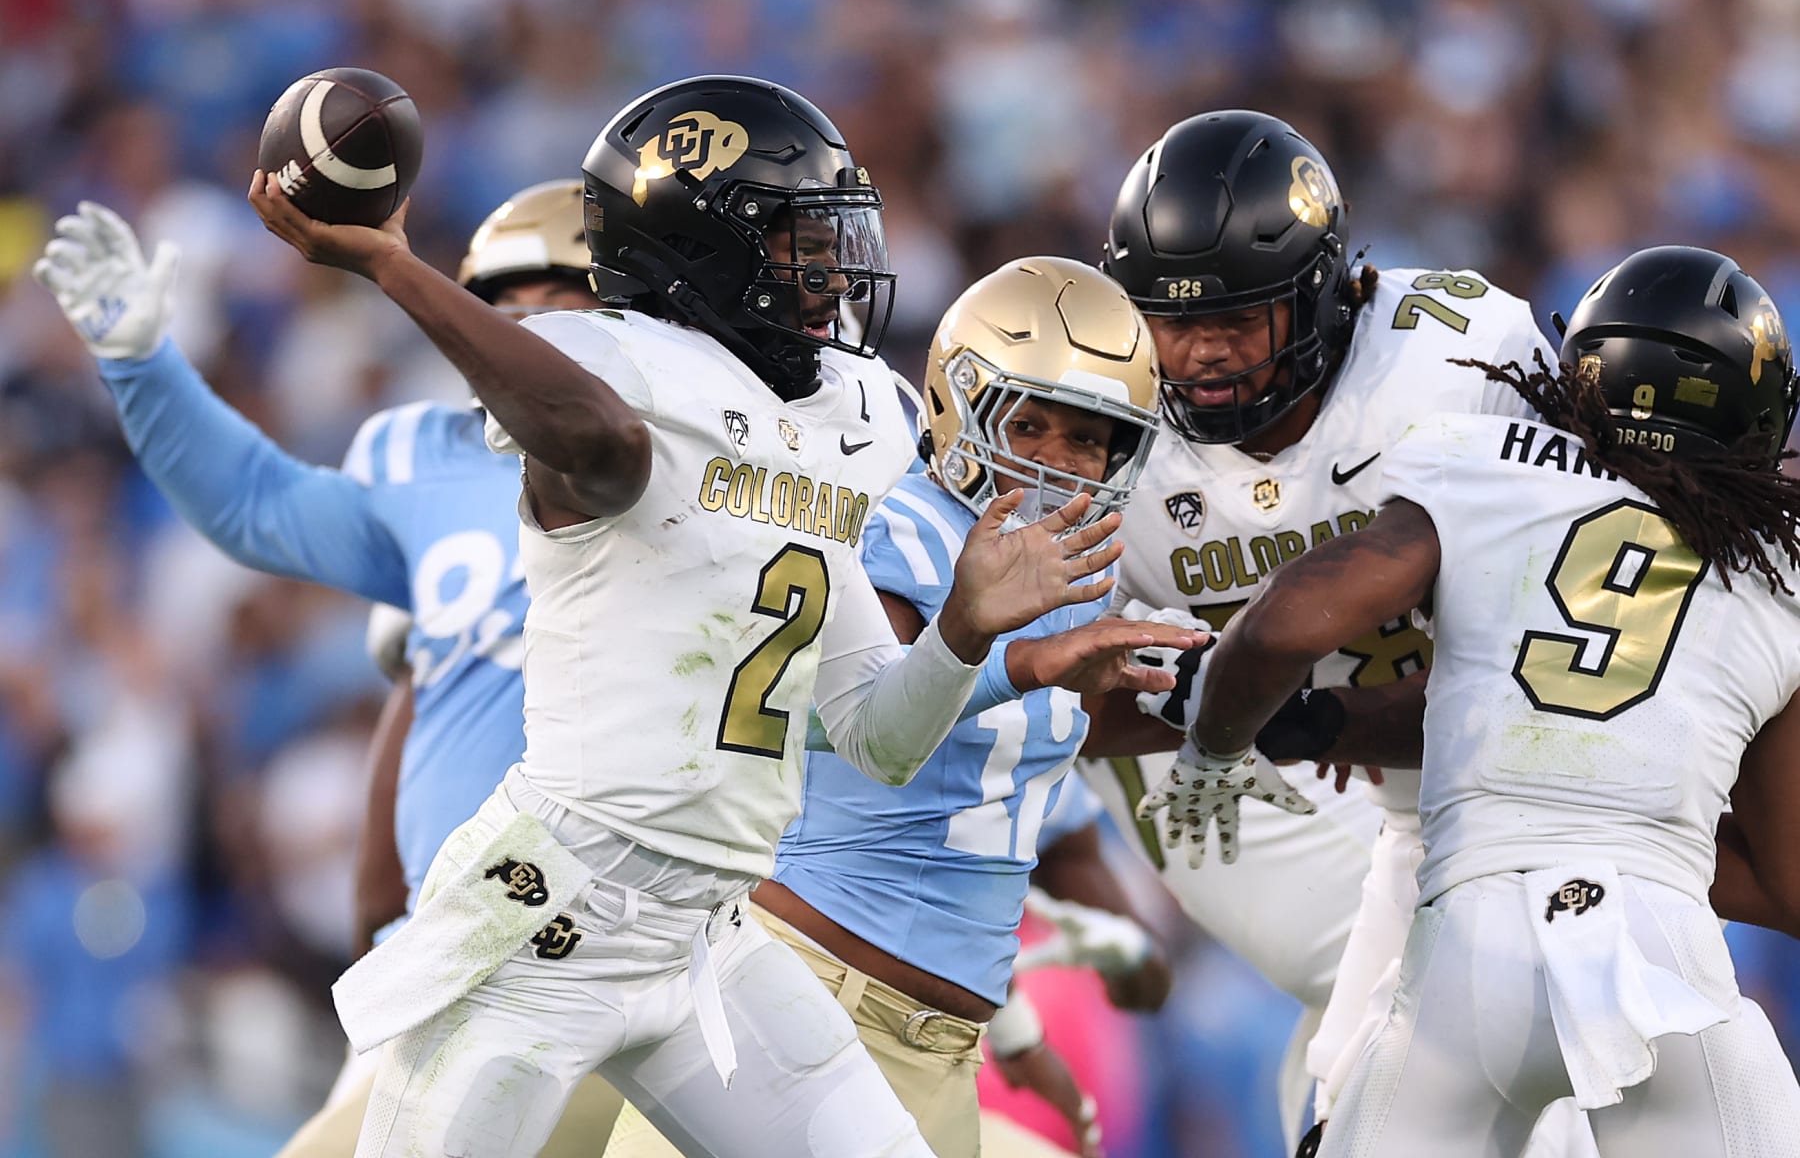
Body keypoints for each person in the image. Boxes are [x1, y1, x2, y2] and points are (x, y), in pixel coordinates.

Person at [239, 74, 1200, 1157]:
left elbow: (878, 736)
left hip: (710, 929)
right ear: (700, 245)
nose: (833, 270)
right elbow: (602, 443)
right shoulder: (610, 364)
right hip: (555, 907)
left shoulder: (855, 412)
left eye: (835, 236)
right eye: (800, 240)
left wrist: (966, 632)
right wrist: (390, 265)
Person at [32, 180, 633, 1155]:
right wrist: (143, 364)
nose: (527, 329)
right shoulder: (428, 460)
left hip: (630, 933)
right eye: (504, 305)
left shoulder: (693, 471)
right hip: (459, 941)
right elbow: (259, 504)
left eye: (563, 301)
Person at [1186, 244, 1800, 1157]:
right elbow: (1789, 882)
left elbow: (1284, 628)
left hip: (1463, 959)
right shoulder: (1780, 569)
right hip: (1661, 961)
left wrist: (1216, 737)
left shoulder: (1479, 459)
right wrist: (1637, 842)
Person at [1076, 108, 1596, 1154]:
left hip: (1439, 737)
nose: (1202, 353)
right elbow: (1061, 705)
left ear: (1322, 292)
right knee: (1420, 979)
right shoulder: (1097, 414)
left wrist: (1335, 716)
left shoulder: (1460, 357)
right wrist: (1204, 703)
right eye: (1170, 321)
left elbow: (1560, 641)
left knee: (1459, 993)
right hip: (1209, 757)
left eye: (1238, 317)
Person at [599, 253, 1177, 1158]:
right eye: (1029, 425)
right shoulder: (901, 527)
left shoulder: (1079, 580)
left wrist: (1017, 1033)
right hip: (802, 997)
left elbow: (973, 832)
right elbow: (838, 721)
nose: (1057, 462)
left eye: (1088, 439)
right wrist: (1018, 662)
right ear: (960, 405)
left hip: (940, 1046)